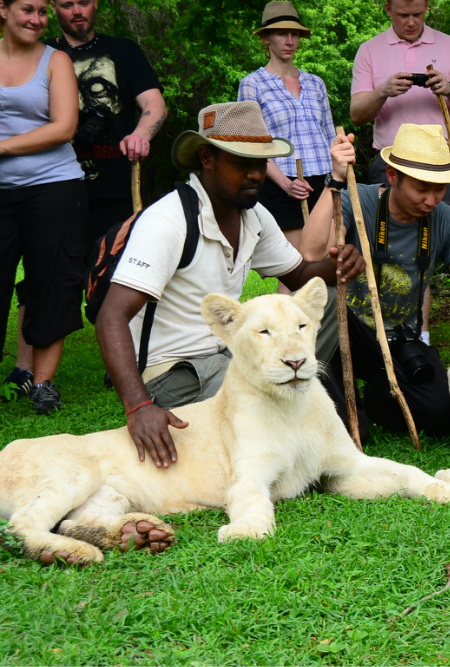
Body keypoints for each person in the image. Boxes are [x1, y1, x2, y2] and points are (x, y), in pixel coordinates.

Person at [95, 101, 365, 469]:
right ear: (207, 158)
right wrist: (139, 406)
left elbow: (300, 274)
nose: (255, 174)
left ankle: (332, 412)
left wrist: (340, 264)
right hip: (173, 373)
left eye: (260, 163)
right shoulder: (168, 221)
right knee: (272, 402)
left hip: (228, 356)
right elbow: (111, 317)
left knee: (328, 302)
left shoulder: (253, 215)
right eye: (243, 162)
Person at [300, 123, 450, 440]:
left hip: (399, 338)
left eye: (439, 188)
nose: (431, 200)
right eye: (421, 188)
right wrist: (336, 179)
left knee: (440, 415)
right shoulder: (357, 200)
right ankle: (339, 401)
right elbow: (310, 250)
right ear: (392, 176)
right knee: (340, 423)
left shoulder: (446, 220)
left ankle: (378, 394)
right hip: (348, 328)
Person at [350, 0, 450, 352]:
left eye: (418, 15)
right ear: (386, 9)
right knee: (403, 252)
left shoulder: (449, 46)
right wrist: (383, 90)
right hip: (392, 161)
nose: (411, 22)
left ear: (427, 7)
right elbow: (357, 114)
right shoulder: (370, 50)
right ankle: (413, 337)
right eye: (403, 15)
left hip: (444, 161)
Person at [0, 0, 87, 415]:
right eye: (27, 10)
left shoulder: (57, 61)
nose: (36, 20)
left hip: (53, 185)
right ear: (3, 8)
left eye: (41, 12)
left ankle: (43, 383)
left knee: (51, 282)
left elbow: (63, 126)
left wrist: (1, 147)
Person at [46, 0, 167, 245]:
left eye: (84, 2)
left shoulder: (125, 50)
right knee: (59, 279)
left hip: (118, 191)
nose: (77, 11)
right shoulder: (42, 54)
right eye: (68, 4)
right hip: (55, 191)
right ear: (53, 7)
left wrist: (141, 135)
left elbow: (155, 104)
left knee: (112, 276)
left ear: (96, 3)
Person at [238, 1, 336, 288]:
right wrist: (285, 184)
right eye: (281, 33)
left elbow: (329, 136)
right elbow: (254, 144)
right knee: (298, 271)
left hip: (323, 183)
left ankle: (324, 333)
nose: (290, 40)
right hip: (283, 185)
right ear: (266, 37)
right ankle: (284, 333)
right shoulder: (252, 84)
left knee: (327, 267)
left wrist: (336, 181)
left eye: (294, 34)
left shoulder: (316, 83)